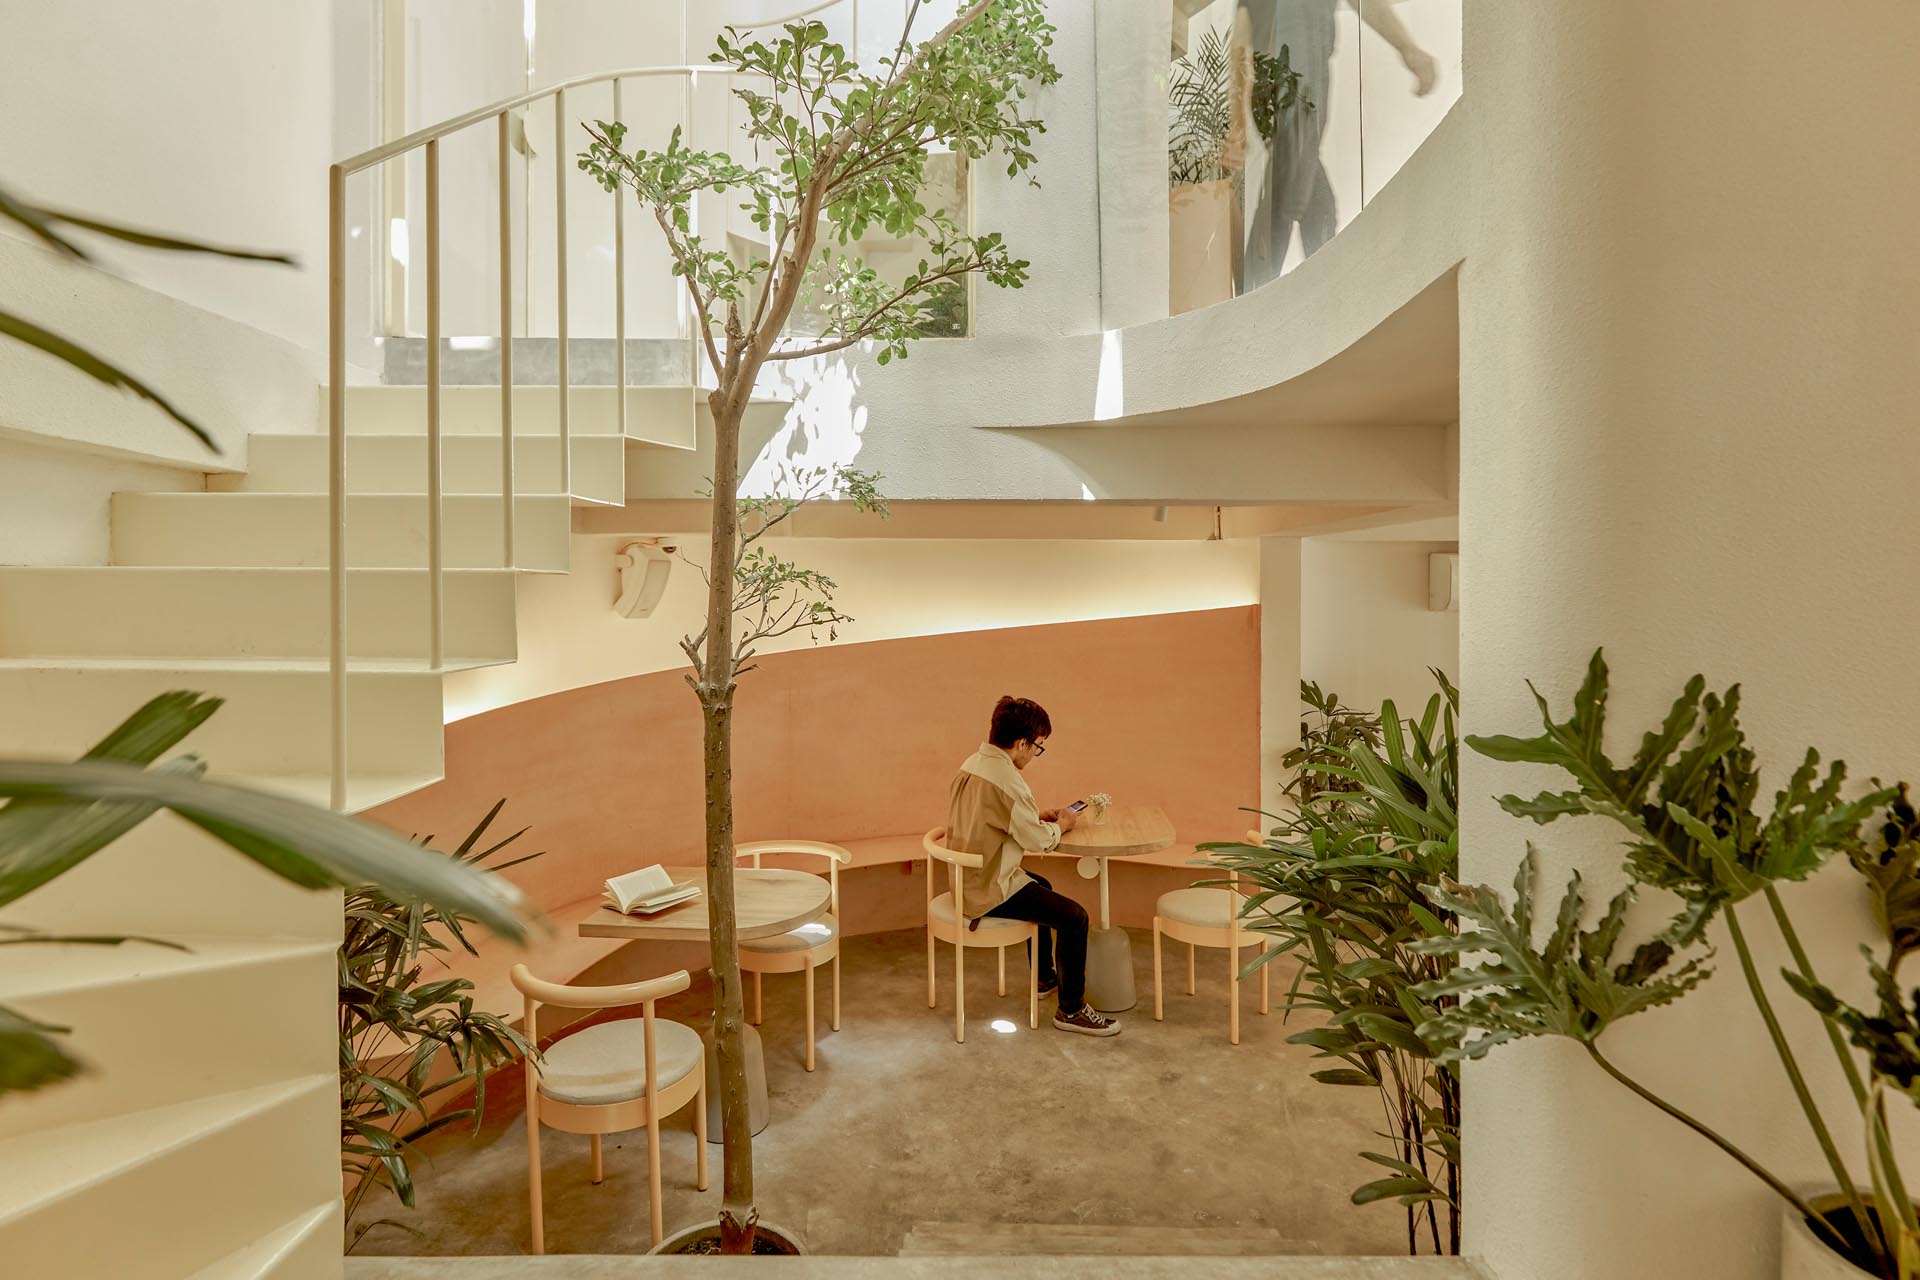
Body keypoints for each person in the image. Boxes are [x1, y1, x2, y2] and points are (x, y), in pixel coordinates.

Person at [1225, 0, 1439, 292]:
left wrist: (1238, 120)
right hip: (1293, 80)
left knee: (1319, 207)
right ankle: (1256, 301)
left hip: (1286, 88)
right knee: (1287, 198)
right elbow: (1240, 43)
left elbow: (1240, 42)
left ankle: (1326, 296)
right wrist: (1408, 48)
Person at [946, 696, 1120, 1037]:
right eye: (1037, 747)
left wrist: (1033, 817)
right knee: (1075, 917)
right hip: (988, 886)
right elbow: (1039, 842)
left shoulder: (974, 763)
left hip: (965, 876)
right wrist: (1064, 824)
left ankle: (1045, 977)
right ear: (1022, 743)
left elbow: (989, 817)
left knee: (1041, 886)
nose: (1035, 755)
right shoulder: (1008, 780)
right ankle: (1071, 1010)